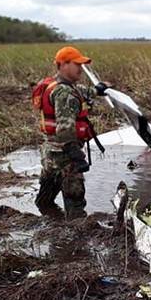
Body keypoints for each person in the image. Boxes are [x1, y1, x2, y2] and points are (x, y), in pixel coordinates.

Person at [32, 46, 109, 218]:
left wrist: (98, 90)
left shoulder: (57, 85)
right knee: (75, 208)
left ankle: (48, 221)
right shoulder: (64, 93)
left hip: (50, 154)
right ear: (64, 65)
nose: (81, 69)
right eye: (77, 65)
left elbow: (84, 91)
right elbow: (65, 129)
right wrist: (76, 155)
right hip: (66, 157)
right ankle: (74, 241)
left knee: (44, 200)